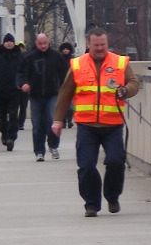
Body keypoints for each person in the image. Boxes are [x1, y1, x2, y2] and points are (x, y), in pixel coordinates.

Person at [52, 27, 139, 217]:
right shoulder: (77, 64)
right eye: (96, 45)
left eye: (103, 45)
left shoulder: (120, 62)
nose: (100, 48)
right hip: (87, 126)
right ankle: (91, 204)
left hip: (113, 124)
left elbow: (134, 83)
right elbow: (65, 94)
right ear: (88, 44)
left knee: (116, 161)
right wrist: (58, 120)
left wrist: (125, 90)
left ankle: (112, 196)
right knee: (86, 166)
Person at [17, 33, 65, 162]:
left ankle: (53, 145)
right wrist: (24, 83)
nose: (43, 46)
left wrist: (63, 89)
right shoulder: (29, 58)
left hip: (52, 94)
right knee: (37, 124)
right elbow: (21, 73)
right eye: (40, 43)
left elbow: (64, 74)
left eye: (45, 43)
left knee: (52, 121)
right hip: (35, 95)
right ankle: (39, 151)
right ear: (36, 43)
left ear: (48, 42)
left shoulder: (56, 57)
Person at [58, 42, 75, 128]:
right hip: (61, 84)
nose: (65, 50)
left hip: (71, 84)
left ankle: (69, 120)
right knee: (63, 104)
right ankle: (63, 121)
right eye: (64, 49)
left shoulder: (73, 60)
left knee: (71, 106)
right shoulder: (58, 59)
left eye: (67, 49)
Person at [16, 41, 29, 130]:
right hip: (15, 86)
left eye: (22, 47)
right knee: (14, 106)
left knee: (23, 106)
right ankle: (15, 122)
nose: (20, 49)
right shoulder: (13, 58)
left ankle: (21, 123)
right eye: (19, 47)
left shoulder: (27, 59)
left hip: (24, 85)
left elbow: (28, 73)